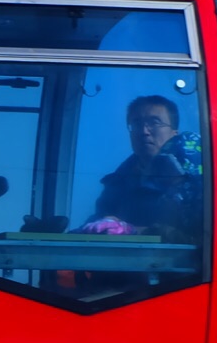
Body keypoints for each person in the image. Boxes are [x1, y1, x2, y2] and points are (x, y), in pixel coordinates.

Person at [80, 95, 204, 242]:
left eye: (155, 122)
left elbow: (205, 242)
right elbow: (98, 227)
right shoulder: (116, 184)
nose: (144, 131)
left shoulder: (202, 184)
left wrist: (137, 231)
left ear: (174, 133)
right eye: (136, 124)